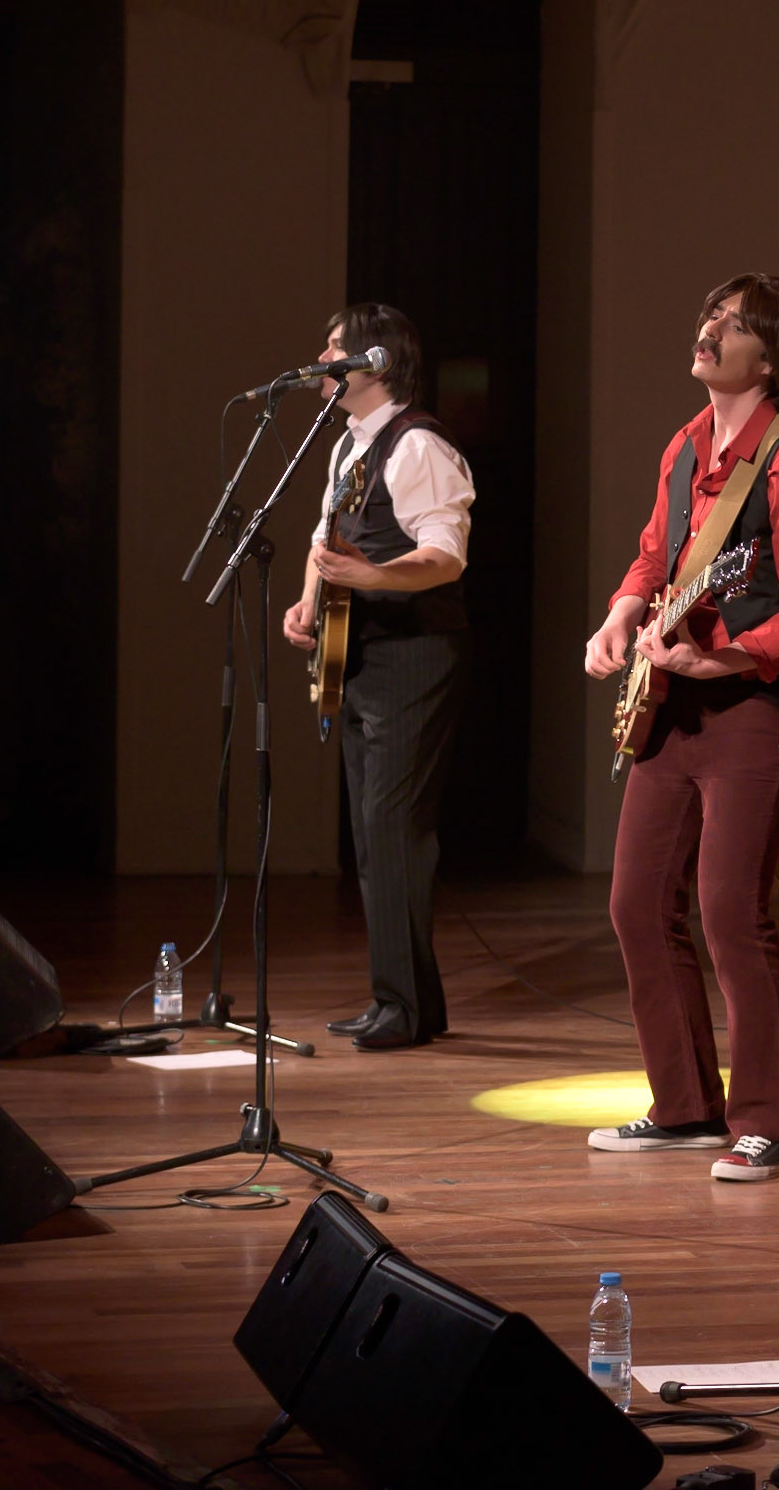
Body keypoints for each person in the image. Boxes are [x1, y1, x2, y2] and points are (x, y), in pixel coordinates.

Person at [583, 274, 779, 1182]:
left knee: (732, 910)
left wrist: (726, 659)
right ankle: (686, 1106)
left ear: (769, 359)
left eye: (731, 325)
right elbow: (656, 557)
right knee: (637, 903)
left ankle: (768, 1121)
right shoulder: (686, 444)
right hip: (672, 701)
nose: (708, 330)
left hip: (750, 710)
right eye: (710, 316)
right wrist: (621, 615)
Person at [282, 302, 473, 1051]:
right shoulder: (347, 445)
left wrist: (373, 576)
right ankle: (400, 1000)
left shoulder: (418, 444)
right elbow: (323, 538)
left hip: (412, 655)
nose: (323, 357)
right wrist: (309, 600)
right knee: (372, 832)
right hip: (361, 654)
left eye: (337, 347)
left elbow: (445, 555)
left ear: (377, 362)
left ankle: (406, 1008)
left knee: (393, 828)